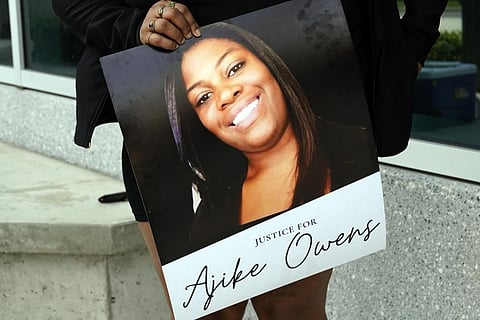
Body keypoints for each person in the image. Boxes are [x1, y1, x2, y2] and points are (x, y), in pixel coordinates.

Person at [51, 0, 447, 319]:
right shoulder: (181, 150)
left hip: (315, 75)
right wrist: (133, 26)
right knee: (205, 314)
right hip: (157, 106)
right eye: (204, 95)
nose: (225, 93)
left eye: (235, 67)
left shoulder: (325, 148)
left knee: (291, 311)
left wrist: (412, 39)